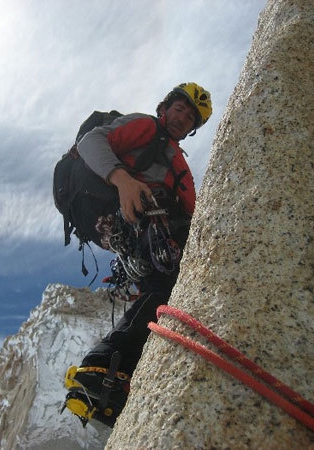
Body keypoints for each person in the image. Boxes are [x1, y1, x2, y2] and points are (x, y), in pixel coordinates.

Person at [63, 82, 212, 427]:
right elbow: (90, 142)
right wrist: (123, 180)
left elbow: (194, 213)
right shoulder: (145, 127)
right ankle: (104, 365)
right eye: (180, 108)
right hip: (131, 213)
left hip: (146, 227)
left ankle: (114, 376)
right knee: (165, 281)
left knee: (163, 290)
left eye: (190, 117)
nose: (182, 117)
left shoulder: (178, 164)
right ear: (165, 107)